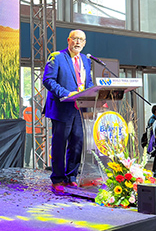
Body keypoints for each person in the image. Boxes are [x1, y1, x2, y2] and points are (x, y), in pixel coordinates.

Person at [42, 29, 94, 193]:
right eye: (75, 39)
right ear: (68, 40)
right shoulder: (57, 57)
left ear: (85, 43)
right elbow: (48, 80)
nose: (78, 42)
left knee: (77, 143)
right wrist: (66, 94)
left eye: (81, 40)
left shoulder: (86, 60)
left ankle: (71, 177)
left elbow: (88, 82)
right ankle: (57, 178)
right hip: (61, 108)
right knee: (59, 144)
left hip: (79, 109)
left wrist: (94, 93)